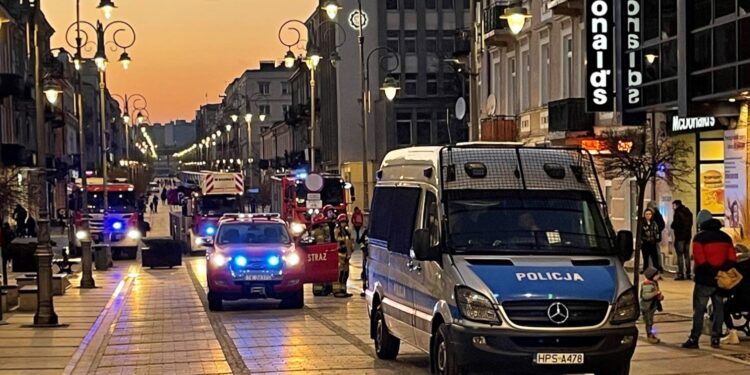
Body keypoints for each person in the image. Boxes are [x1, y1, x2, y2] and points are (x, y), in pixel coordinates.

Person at [682, 218, 737, 349]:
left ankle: (694, 338)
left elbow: (700, 260)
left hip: (704, 280)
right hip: (720, 281)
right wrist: (721, 271)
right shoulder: (726, 238)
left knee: (699, 310)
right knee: (719, 310)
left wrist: (712, 272)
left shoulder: (699, 238)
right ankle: (716, 337)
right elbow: (732, 258)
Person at [640, 266, 664, 344]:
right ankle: (650, 335)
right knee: (649, 322)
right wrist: (655, 293)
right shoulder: (647, 285)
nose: (659, 276)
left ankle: (651, 334)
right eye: (657, 275)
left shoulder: (653, 283)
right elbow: (645, 296)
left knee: (650, 322)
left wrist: (660, 297)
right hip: (647, 307)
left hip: (651, 306)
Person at [671, 200, 694, 280]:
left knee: (680, 255)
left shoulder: (677, 213)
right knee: (686, 255)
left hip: (680, 237)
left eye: (673, 205)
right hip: (688, 236)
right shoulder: (688, 212)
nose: (672, 207)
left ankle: (681, 274)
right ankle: (688, 273)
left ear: (676, 205)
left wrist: (672, 225)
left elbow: (675, 224)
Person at [333, 214, 353, 298]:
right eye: (342, 222)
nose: (344, 224)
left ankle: (344, 290)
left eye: (345, 222)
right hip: (340, 255)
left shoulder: (347, 231)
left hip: (346, 255)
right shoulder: (337, 230)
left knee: (346, 274)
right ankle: (337, 291)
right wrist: (345, 239)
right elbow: (337, 239)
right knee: (340, 274)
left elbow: (350, 242)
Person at [641, 209, 662, 273]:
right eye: (646, 214)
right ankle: (645, 270)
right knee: (646, 258)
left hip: (653, 243)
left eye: (649, 214)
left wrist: (657, 239)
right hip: (645, 243)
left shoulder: (654, 223)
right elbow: (640, 233)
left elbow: (657, 232)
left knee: (654, 258)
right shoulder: (642, 223)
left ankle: (656, 270)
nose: (648, 216)